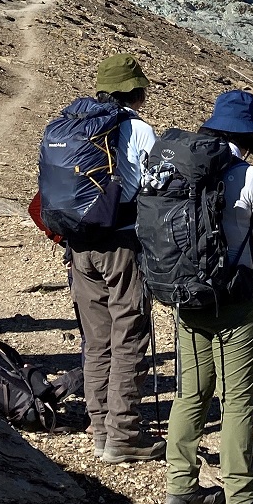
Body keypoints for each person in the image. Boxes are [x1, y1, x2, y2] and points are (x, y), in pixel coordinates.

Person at [163, 90, 253, 504]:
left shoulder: (181, 170)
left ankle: (180, 488)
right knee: (236, 401)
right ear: (248, 136)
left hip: (188, 299)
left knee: (190, 393)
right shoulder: (249, 176)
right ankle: (241, 501)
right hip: (235, 304)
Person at [69, 52, 162, 464]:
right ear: (135, 92)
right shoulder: (139, 130)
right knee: (130, 332)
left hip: (78, 244)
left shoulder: (75, 124)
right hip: (121, 242)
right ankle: (123, 434)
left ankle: (99, 427)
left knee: (97, 336)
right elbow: (157, 186)